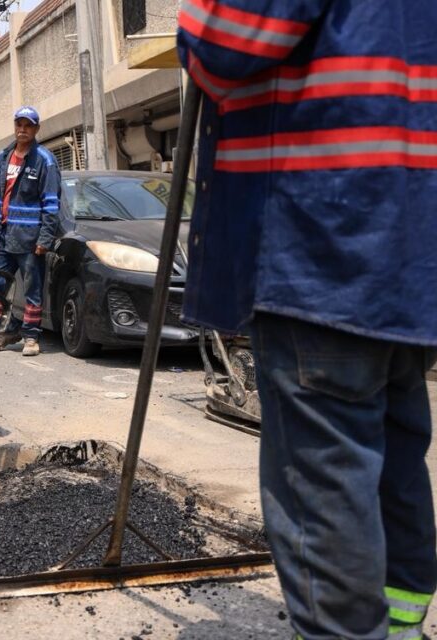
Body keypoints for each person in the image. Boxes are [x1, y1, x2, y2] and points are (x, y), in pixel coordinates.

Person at [178, 1, 437, 638]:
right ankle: (401, 622)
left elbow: (221, 43)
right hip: (408, 250)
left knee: (325, 476)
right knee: (394, 454)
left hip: (321, 243)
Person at [0, 106, 60, 357]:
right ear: (15, 127)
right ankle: (8, 330)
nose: (22, 129)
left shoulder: (45, 160)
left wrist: (45, 238)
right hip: (1, 235)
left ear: (36, 129)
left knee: (32, 289)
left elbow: (51, 203)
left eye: (28, 125)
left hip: (29, 238)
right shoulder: (4, 157)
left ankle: (31, 337)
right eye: (19, 124)